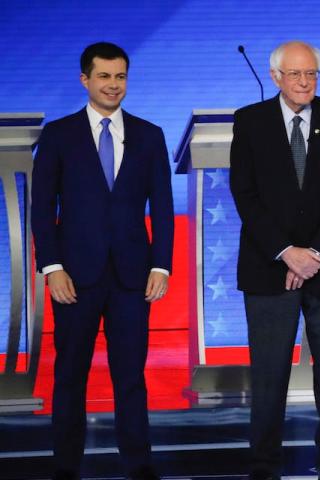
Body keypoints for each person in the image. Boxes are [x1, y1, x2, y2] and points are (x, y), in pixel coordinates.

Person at [31, 42, 173, 480]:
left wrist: (161, 265)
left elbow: (163, 207)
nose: (114, 85)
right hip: (74, 275)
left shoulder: (150, 135)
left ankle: (138, 464)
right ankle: (65, 466)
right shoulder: (58, 134)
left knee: (130, 376)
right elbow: (41, 207)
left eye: (121, 77)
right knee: (70, 376)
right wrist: (52, 268)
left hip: (133, 276)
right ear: (85, 80)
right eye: (105, 77)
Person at [229, 40, 320, 480]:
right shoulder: (250, 122)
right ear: (275, 77)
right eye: (295, 75)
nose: (304, 83)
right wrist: (288, 252)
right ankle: (264, 466)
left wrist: (315, 254)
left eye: (312, 75)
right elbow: (245, 195)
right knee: (268, 376)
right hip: (269, 267)